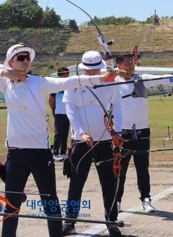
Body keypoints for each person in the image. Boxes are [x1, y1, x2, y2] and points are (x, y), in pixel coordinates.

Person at [0, 44, 115, 237]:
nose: (25, 61)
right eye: (21, 58)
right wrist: (6, 73)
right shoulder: (4, 83)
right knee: (11, 205)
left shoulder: (40, 83)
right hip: (16, 154)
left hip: (41, 153)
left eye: (28, 58)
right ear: (11, 62)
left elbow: (72, 81)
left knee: (51, 203)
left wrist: (100, 77)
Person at [113, 52, 173, 213]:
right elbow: (98, 76)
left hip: (142, 131)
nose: (131, 65)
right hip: (122, 134)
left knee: (142, 168)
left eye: (132, 62)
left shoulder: (141, 79)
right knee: (120, 169)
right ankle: (116, 201)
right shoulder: (112, 82)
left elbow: (165, 78)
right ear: (119, 65)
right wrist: (116, 73)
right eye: (127, 63)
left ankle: (146, 199)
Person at [61, 51, 122, 237]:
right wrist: (81, 132)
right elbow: (70, 111)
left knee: (109, 183)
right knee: (76, 184)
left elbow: (117, 107)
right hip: (82, 142)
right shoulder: (73, 83)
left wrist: (117, 132)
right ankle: (69, 222)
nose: (93, 74)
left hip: (105, 141)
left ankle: (111, 222)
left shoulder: (110, 81)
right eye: (89, 70)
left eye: (96, 70)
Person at [49, 67, 71, 162]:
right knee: (58, 133)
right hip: (59, 112)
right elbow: (51, 99)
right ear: (61, 75)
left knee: (65, 133)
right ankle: (55, 153)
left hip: (68, 112)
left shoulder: (69, 84)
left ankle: (63, 152)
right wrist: (53, 110)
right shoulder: (55, 85)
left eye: (67, 73)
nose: (67, 75)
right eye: (65, 74)